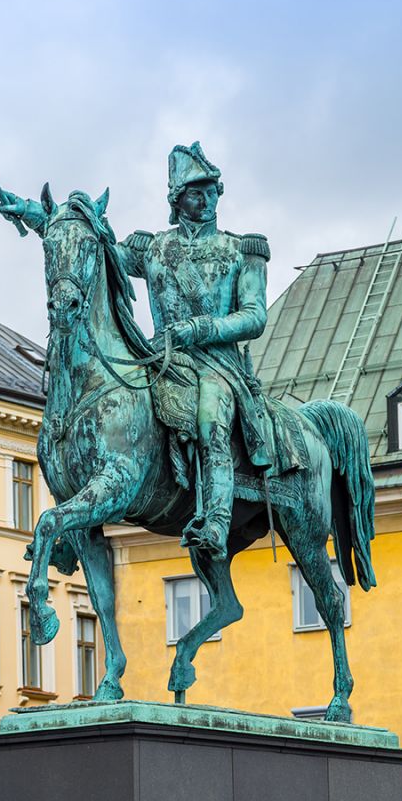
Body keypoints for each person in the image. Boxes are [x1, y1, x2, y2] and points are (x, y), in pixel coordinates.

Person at [118, 142, 272, 559]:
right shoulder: (152, 249)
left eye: (211, 191)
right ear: (176, 199)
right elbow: (97, 253)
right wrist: (47, 221)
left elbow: (255, 317)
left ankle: (217, 522)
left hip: (217, 365)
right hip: (161, 358)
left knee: (210, 420)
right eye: (194, 192)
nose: (205, 200)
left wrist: (202, 328)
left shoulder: (242, 250)